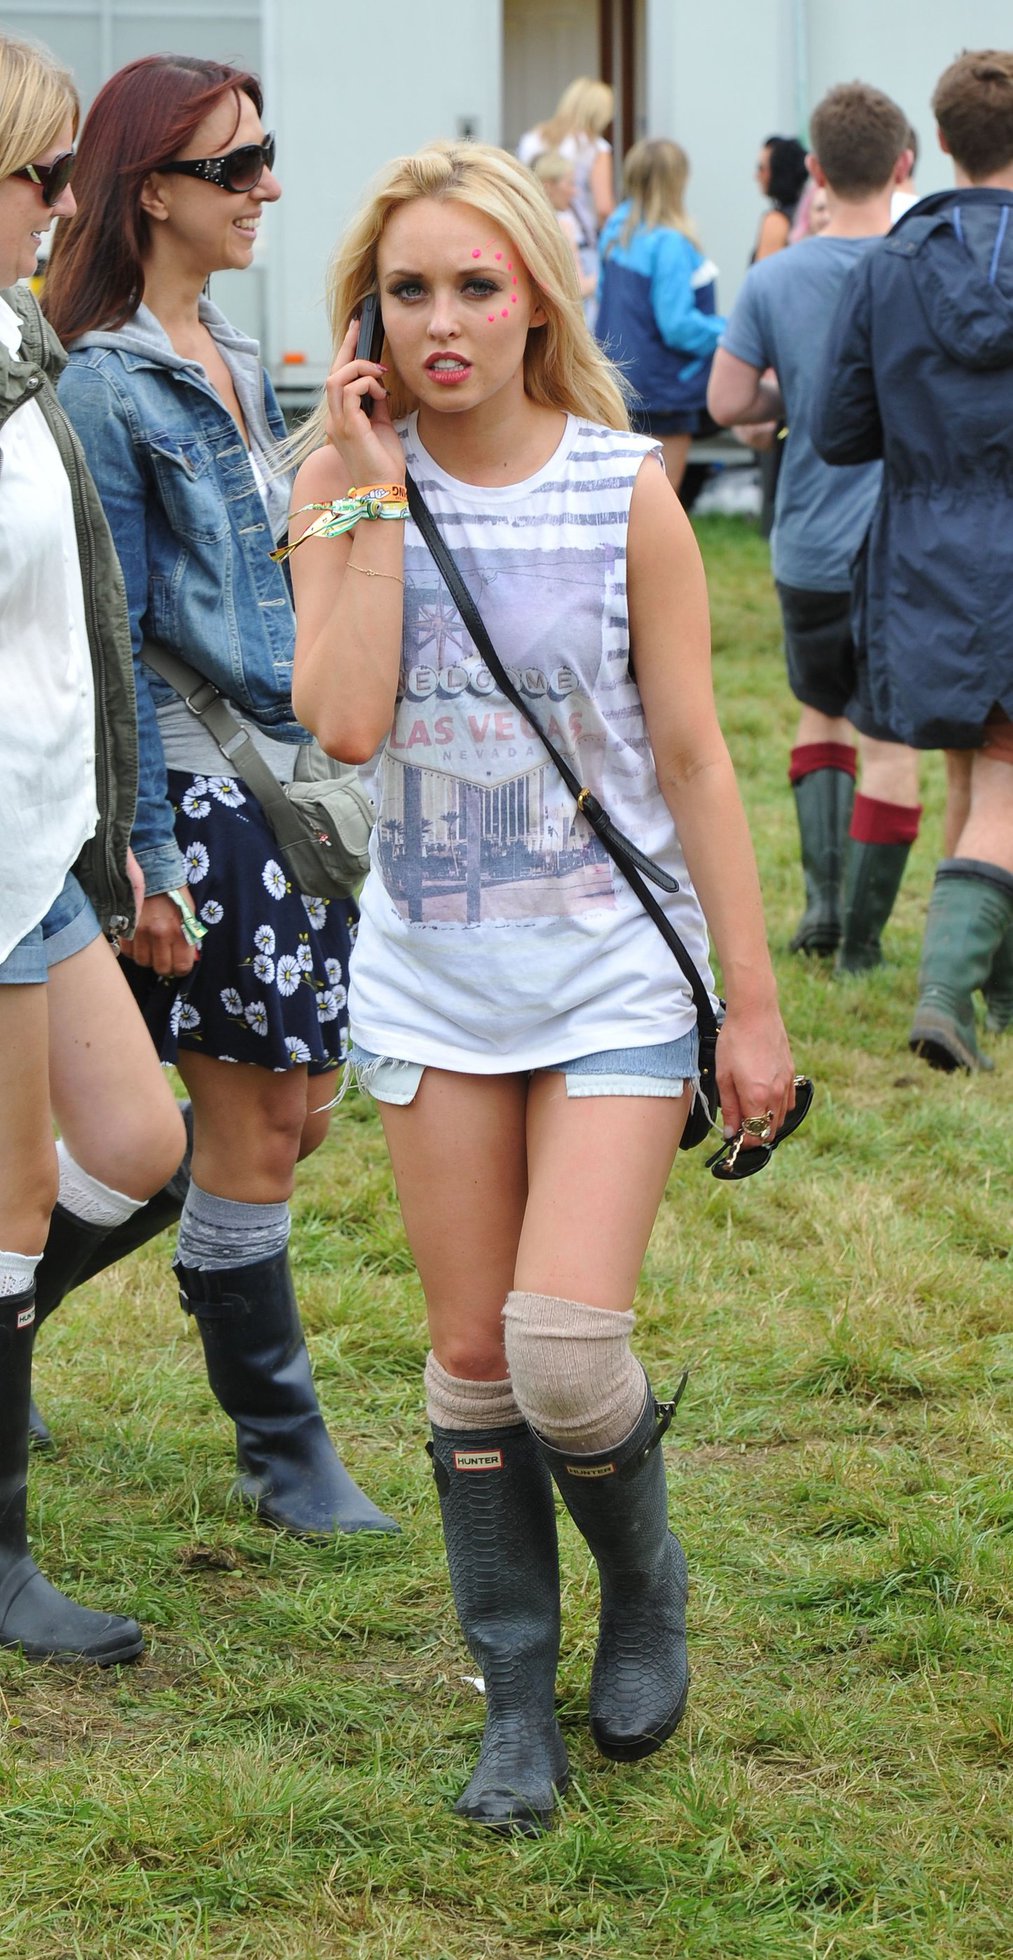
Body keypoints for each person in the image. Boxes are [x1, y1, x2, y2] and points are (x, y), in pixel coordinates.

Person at [285, 139, 796, 1832]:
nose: (441, 322)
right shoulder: (335, 485)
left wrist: (753, 1004)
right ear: (370, 311)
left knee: (565, 1351)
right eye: (409, 289)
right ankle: (517, 1696)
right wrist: (364, 487)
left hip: (605, 979)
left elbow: (696, 763)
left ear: (534, 303)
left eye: (474, 287)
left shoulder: (620, 483)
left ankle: (641, 1592)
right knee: (468, 1362)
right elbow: (346, 725)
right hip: (432, 983)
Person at [43, 55, 396, 1536]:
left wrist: (346, 458)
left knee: (289, 1121)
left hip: (284, 773)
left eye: (267, 156)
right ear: (153, 193)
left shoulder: (230, 351)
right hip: (198, 793)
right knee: (245, 1133)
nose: (266, 186)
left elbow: (271, 568)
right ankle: (284, 1452)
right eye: (236, 164)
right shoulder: (108, 376)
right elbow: (109, 631)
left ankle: (4, 1302)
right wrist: (147, 853)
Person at [0, 32, 186, 1662]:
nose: (64, 208)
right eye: (37, 177)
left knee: (136, 1144)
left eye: (66, 178)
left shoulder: (16, 352)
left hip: (47, 836)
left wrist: (114, 830)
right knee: (5, 1192)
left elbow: (75, 627)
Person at [813, 51, 1013, 1070]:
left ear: (936, 144)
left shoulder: (888, 264)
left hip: (924, 543)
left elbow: (836, 430)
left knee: (971, 765)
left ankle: (993, 988)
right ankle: (943, 993)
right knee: (1004, 779)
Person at [708, 84, 922, 969]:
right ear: (905, 165)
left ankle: (821, 910)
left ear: (819, 174)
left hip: (807, 541)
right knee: (889, 738)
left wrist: (779, 405)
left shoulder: (775, 274)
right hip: (906, 549)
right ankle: (863, 948)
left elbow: (726, 402)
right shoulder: (921, 264)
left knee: (818, 712)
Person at [595, 139, 725, 494]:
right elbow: (678, 327)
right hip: (665, 389)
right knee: (661, 501)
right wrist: (728, 331)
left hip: (616, 381)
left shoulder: (614, 232)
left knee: (618, 502)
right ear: (676, 182)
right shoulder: (670, 243)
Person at [517, 77, 615, 290]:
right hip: (578, 242)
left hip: (536, 235)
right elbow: (604, 207)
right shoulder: (595, 148)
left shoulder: (532, 139)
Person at [531, 150, 597, 310]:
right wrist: (605, 278)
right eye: (570, 183)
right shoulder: (562, 227)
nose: (575, 191)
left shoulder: (529, 222)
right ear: (548, 186)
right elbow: (577, 289)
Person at [752, 135, 809, 260]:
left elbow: (765, 276)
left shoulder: (777, 221)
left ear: (779, 172)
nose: (756, 176)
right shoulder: (809, 212)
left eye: (762, 168)